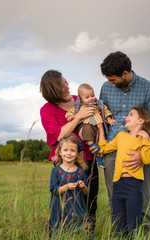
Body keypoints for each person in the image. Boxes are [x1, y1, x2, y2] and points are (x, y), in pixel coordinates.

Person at [98, 51, 150, 239]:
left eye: (113, 79)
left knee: (144, 204)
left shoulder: (149, 88)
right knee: (116, 204)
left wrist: (144, 157)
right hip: (113, 155)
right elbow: (103, 119)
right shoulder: (106, 87)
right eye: (108, 80)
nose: (110, 83)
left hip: (139, 155)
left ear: (126, 73)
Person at [40, 70, 99, 234]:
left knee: (90, 196)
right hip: (64, 160)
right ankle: (61, 230)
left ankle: (88, 231)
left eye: (66, 81)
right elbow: (58, 135)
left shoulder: (78, 99)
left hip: (88, 156)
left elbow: (95, 120)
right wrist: (78, 116)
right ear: (54, 90)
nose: (67, 86)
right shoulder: (47, 110)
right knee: (65, 198)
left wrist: (97, 140)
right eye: (63, 85)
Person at [97, 107, 150, 238]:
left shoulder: (145, 140)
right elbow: (104, 149)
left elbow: (147, 158)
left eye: (131, 114)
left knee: (133, 226)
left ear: (141, 121)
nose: (126, 117)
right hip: (118, 186)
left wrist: (145, 138)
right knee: (118, 225)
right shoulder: (121, 136)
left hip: (133, 187)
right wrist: (100, 129)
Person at [65, 83, 115, 168]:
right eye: (87, 97)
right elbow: (70, 112)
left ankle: (100, 158)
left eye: (92, 96)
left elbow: (106, 111)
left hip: (98, 127)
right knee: (87, 129)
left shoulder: (98, 104)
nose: (91, 98)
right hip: (87, 125)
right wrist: (70, 116)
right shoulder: (80, 106)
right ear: (81, 99)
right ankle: (92, 145)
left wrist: (109, 118)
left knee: (102, 139)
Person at [49, 134, 89, 236]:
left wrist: (83, 186)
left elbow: (87, 192)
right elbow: (54, 190)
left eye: (72, 150)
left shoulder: (81, 172)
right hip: (60, 207)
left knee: (78, 231)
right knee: (60, 231)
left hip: (78, 208)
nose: (69, 153)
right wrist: (66, 187)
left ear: (77, 154)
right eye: (65, 150)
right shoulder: (56, 171)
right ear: (60, 152)